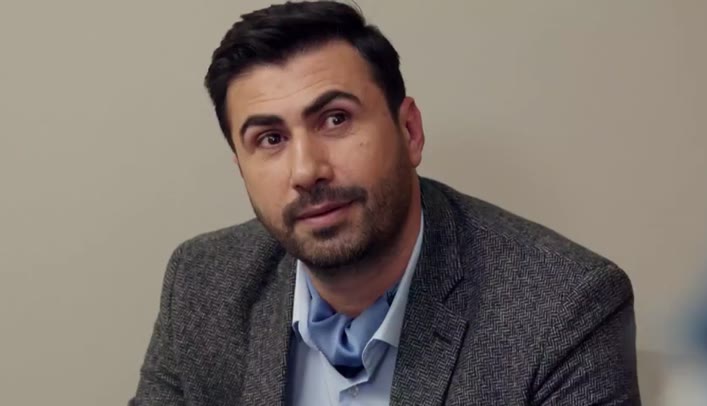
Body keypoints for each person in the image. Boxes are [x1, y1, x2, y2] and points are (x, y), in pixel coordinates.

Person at [131, 1, 640, 404]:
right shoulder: (201, 283)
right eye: (270, 139)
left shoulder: (563, 307)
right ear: (241, 167)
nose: (306, 171)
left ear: (410, 131)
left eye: (335, 119)